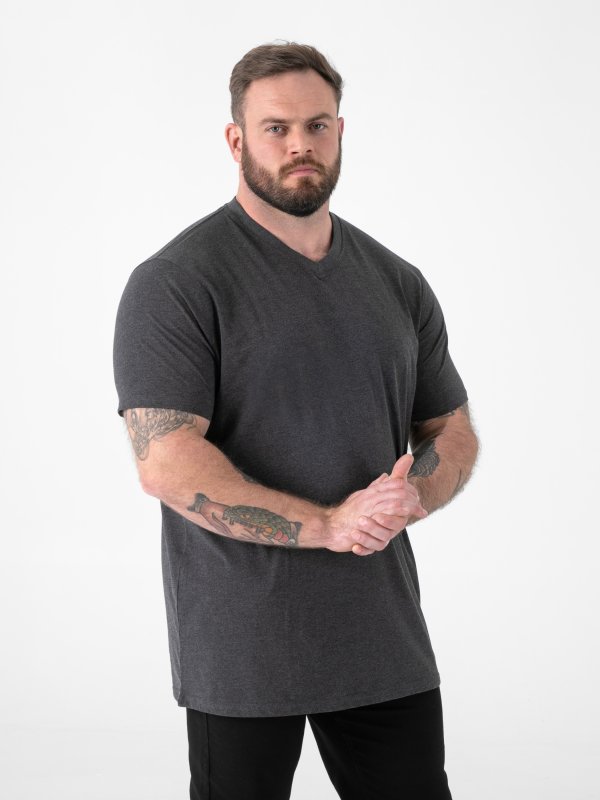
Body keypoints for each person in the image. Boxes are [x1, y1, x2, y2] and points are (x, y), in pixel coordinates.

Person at [113, 41, 479, 800]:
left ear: (340, 132)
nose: (299, 145)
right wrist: (328, 526)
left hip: (381, 636)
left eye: (317, 125)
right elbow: (167, 463)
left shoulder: (397, 281)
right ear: (236, 140)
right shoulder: (177, 282)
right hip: (243, 646)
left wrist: (415, 495)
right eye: (276, 128)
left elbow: (450, 428)